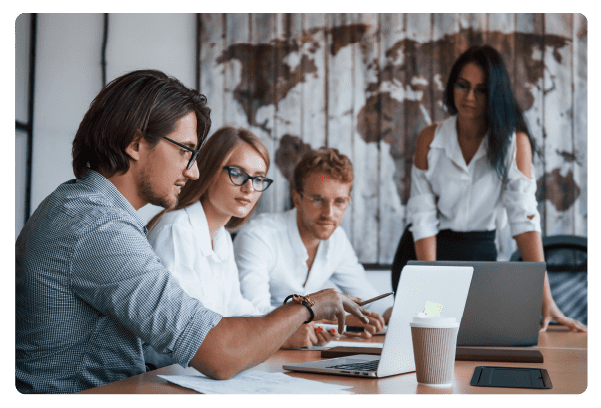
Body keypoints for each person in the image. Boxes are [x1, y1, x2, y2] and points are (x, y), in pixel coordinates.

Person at [15, 70, 373, 394]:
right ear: (136, 143)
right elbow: (219, 355)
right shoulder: (98, 226)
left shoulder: (82, 207)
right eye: (186, 150)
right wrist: (308, 306)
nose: (194, 172)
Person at [391, 45, 586, 333]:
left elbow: (524, 220)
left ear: (495, 94)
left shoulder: (513, 142)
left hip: (478, 253)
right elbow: (422, 219)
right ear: (452, 86)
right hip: (425, 253)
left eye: (481, 90)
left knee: (477, 338)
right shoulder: (429, 138)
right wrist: (429, 285)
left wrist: (546, 298)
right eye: (462, 85)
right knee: (428, 336)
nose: (469, 97)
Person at [145, 126, 340, 357]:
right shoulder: (176, 230)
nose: (249, 188)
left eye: (258, 179)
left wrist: (287, 327)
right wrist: (281, 334)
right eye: (237, 174)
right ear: (209, 170)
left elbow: (236, 308)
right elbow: (185, 332)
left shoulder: (222, 236)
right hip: (167, 373)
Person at [234, 147, 394, 348]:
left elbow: (369, 300)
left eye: (339, 202)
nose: (329, 213)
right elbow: (254, 313)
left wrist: (404, 316)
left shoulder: (337, 240)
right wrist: (327, 323)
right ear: (297, 199)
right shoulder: (258, 236)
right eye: (318, 200)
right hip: (257, 354)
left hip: (301, 354)